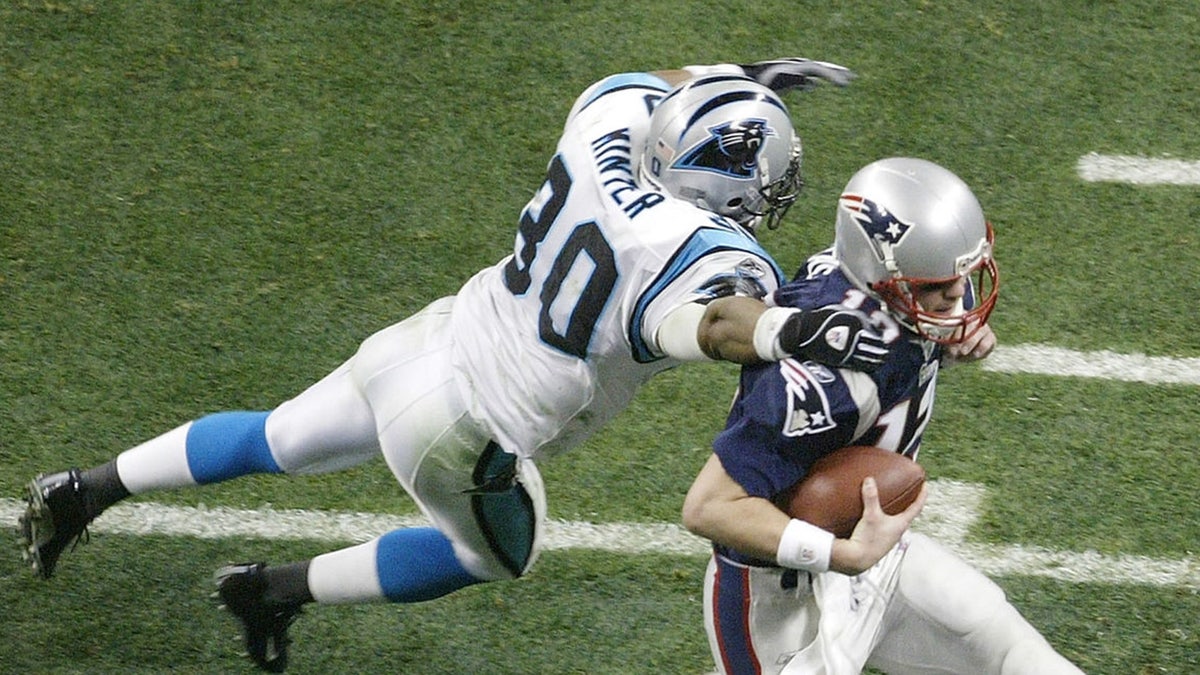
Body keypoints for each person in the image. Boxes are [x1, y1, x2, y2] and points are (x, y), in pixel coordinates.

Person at [19, 58, 889, 672]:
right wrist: (779, 333)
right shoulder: (704, 254)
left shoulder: (607, 127)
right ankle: (269, 589)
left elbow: (665, 83)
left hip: (425, 340)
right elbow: (711, 323)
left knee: (275, 435)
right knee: (500, 555)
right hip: (465, 429)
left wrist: (742, 77)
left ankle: (84, 488)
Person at [682, 157, 1085, 674]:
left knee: (1010, 651)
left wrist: (951, 336)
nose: (958, 299)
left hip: (876, 553)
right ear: (883, 279)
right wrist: (838, 555)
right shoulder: (827, 384)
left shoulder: (874, 287)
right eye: (936, 288)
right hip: (784, 592)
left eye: (961, 281)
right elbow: (708, 508)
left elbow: (908, 324)